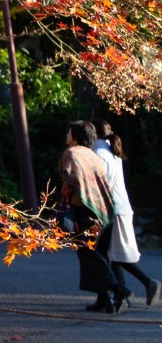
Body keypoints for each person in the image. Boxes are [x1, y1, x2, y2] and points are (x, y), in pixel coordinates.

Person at [94, 123, 158, 308]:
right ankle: (119, 297)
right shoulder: (111, 151)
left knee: (111, 255)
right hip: (121, 207)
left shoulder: (99, 154)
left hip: (112, 209)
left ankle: (146, 284)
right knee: (113, 254)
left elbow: (101, 185)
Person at [60, 121, 120, 312]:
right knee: (99, 254)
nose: (67, 133)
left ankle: (118, 288)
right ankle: (105, 301)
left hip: (86, 210)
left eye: (69, 131)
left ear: (75, 135)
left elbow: (70, 179)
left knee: (86, 252)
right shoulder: (94, 156)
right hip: (106, 210)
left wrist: (69, 197)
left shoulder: (72, 153)